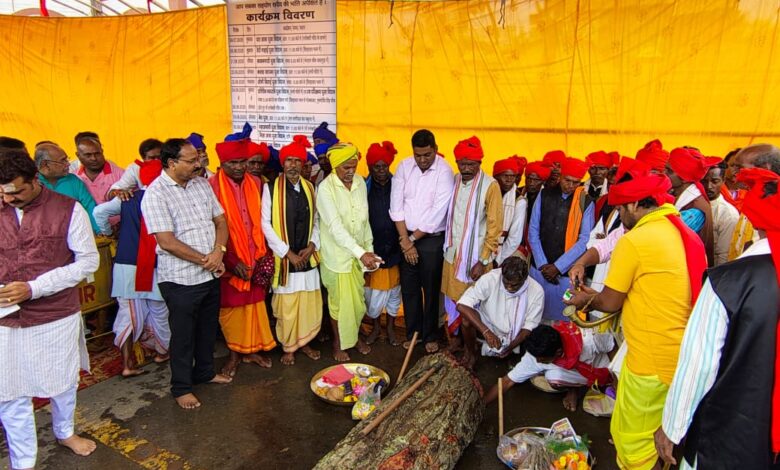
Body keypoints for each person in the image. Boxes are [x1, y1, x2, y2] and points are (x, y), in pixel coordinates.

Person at [564, 171, 706, 470]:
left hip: (651, 363)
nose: (618, 214)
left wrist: (583, 298)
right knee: (653, 436)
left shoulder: (638, 239)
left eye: (621, 208)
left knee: (635, 448)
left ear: (635, 206)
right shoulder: (679, 229)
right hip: (676, 356)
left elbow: (610, 302)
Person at [654, 167, 780, 470]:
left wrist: (671, 427)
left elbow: (698, 364)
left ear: (752, 220)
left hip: (729, 437)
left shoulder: (728, 282)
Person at [0, 149, 99, 469]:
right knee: (9, 392)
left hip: (54, 314)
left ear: (35, 179)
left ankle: (65, 431)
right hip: (4, 318)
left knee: (61, 381)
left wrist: (35, 288)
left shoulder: (68, 209)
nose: (9, 198)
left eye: (16, 190)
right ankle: (23, 462)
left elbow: (88, 261)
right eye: (2, 191)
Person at [141, 138, 232, 410]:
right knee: (183, 335)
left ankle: (204, 372)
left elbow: (220, 221)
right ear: (171, 163)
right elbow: (166, 241)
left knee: (207, 329)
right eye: (191, 160)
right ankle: (181, 387)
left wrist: (220, 251)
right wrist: (208, 260)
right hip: (180, 278)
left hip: (210, 273)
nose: (198, 164)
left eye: (198, 159)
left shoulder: (201, 184)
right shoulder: (156, 193)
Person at [94, 159, 170, 377]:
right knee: (160, 313)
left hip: (127, 264)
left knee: (127, 316)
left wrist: (109, 232)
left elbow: (99, 213)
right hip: (157, 265)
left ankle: (128, 364)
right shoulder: (167, 198)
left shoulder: (128, 199)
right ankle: (162, 352)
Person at [209, 139, 277, 377]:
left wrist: (263, 255)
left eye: (242, 162)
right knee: (232, 311)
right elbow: (210, 229)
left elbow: (263, 220)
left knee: (255, 306)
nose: (239, 167)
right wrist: (231, 261)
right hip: (230, 260)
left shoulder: (257, 183)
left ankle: (252, 351)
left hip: (256, 254)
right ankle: (234, 355)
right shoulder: (211, 186)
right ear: (222, 163)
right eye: (233, 163)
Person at [390, 129, 455, 352]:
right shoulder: (404, 167)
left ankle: (430, 336)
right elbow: (396, 207)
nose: (422, 160)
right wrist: (405, 241)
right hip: (404, 237)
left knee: (431, 288)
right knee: (409, 289)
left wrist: (411, 240)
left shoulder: (445, 171)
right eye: (418, 155)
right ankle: (414, 333)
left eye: (427, 155)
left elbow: (438, 213)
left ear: (435, 150)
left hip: (431, 241)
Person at [261, 135, 323, 366]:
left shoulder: (310, 187)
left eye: (298, 161)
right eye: (289, 160)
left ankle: (304, 342)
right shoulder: (270, 188)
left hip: (306, 256)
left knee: (307, 301)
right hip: (285, 258)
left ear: (304, 164)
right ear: (283, 163)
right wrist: (287, 252)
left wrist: (312, 245)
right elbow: (265, 223)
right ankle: (289, 346)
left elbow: (317, 220)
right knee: (286, 305)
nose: (294, 165)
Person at [318, 143, 382, 361]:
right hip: (336, 258)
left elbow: (364, 222)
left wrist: (369, 253)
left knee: (357, 302)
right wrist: (360, 253)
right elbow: (335, 227)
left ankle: (353, 338)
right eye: (346, 167)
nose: (351, 171)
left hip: (358, 256)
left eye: (353, 166)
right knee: (339, 304)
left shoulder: (360, 184)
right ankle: (339, 343)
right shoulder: (325, 189)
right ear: (335, 166)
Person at [442, 136, 503, 346]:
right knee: (453, 301)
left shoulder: (490, 186)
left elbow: (495, 227)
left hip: (476, 259)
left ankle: (472, 349)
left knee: (471, 306)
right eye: (462, 163)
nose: (466, 168)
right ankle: (456, 338)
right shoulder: (455, 179)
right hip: (453, 255)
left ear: (480, 163)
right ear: (456, 162)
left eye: (471, 164)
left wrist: (483, 260)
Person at [485, 323, 613, 412]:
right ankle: (573, 389)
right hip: (580, 375)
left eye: (542, 360)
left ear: (557, 353)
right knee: (554, 378)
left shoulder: (589, 339)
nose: (537, 361)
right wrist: (482, 403)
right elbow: (507, 381)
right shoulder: (536, 354)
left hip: (602, 368)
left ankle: (606, 385)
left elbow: (613, 349)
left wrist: (617, 381)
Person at [528, 157, 594, 321]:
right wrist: (543, 264)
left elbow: (584, 240)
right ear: (560, 176)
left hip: (566, 276)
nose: (570, 186)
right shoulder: (544, 194)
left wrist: (558, 267)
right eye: (567, 180)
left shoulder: (585, 202)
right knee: (533, 317)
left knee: (564, 318)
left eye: (575, 182)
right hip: (538, 270)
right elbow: (533, 231)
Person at [457, 257, 544, 368]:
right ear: (502, 275)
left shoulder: (537, 290)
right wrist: (486, 332)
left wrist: (510, 347)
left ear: (525, 279)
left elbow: (529, 327)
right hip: (489, 325)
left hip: (516, 333)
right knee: (466, 320)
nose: (509, 288)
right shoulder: (491, 278)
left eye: (514, 285)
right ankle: (471, 353)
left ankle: (513, 357)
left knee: (535, 336)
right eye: (506, 283)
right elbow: (461, 305)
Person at [364, 141, 403, 346]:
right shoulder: (363, 187)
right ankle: (377, 327)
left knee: (394, 292)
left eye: (384, 166)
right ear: (370, 167)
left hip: (395, 248)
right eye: (376, 167)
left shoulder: (399, 185)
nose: (381, 171)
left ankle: (390, 327)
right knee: (373, 294)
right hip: (374, 249)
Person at [728, 144, 780, 260]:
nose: (734, 173)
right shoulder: (754, 199)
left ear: (765, 168)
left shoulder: (772, 205)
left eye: (739, 167)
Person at [666, 147, 717, 265]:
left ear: (684, 178)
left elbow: (668, 238)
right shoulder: (678, 196)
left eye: (669, 170)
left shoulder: (695, 208)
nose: (664, 173)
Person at [34, 142, 100, 233]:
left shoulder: (74, 181)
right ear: (45, 165)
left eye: (66, 159)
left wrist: (99, 232)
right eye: (63, 160)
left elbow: (90, 207)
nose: (68, 164)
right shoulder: (31, 184)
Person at [701, 162, 739, 266]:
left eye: (715, 181)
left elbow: (723, 255)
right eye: (704, 181)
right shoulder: (691, 204)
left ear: (723, 181)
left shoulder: (728, 214)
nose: (709, 186)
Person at [493, 156, 528, 264]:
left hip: (502, 256)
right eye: (505, 175)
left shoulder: (519, 201)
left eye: (513, 176)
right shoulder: (486, 193)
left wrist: (498, 260)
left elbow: (515, 238)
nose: (509, 180)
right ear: (496, 176)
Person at [72, 134, 124, 204]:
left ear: (102, 151)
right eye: (88, 155)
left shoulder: (121, 175)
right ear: (78, 155)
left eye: (97, 154)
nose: (93, 158)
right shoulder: (74, 178)